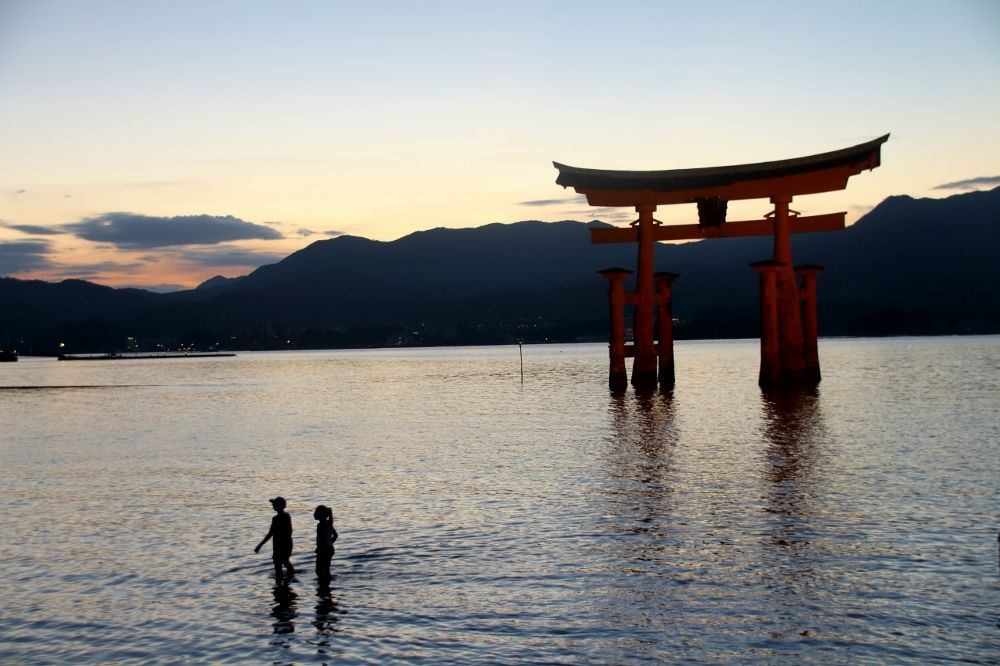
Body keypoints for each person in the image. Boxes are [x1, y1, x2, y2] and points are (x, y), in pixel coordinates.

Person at [255, 496, 295, 579]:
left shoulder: (277, 519)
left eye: (274, 504)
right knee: (284, 561)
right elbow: (289, 531)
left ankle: (283, 579)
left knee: (280, 563)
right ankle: (289, 577)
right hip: (284, 544)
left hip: (281, 545)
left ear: (279, 506)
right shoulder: (286, 516)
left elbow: (270, 534)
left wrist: (260, 545)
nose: (272, 505)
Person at [313, 504, 338, 580]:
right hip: (330, 549)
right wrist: (330, 543)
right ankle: (327, 581)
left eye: (316, 512)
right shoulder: (328, 523)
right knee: (326, 569)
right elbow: (335, 535)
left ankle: (324, 583)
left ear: (320, 514)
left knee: (319, 570)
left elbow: (321, 539)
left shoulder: (320, 525)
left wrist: (319, 549)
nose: (314, 514)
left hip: (323, 550)